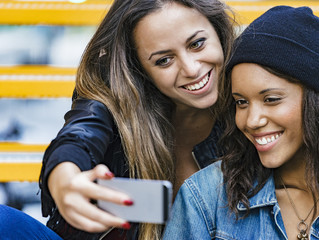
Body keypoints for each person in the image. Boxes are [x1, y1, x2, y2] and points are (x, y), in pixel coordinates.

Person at [38, 0, 236, 240]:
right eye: (164, 60)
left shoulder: (249, 98)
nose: (191, 69)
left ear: (218, 31)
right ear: (140, 69)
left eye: (197, 44)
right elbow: (80, 135)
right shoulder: (115, 102)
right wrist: (64, 178)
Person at [162, 6, 319, 239]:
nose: (252, 121)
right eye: (241, 102)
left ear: (317, 102)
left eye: (271, 99)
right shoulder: (205, 197)